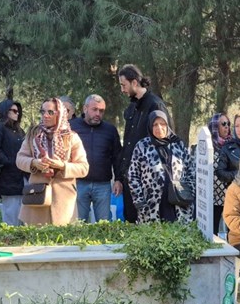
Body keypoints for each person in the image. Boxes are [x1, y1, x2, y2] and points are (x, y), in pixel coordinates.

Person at [15, 98, 88, 225]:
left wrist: (62, 166)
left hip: (63, 201)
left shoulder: (71, 137)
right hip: (37, 198)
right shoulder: (33, 134)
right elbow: (20, 159)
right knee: (36, 241)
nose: (45, 115)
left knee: (62, 241)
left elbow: (83, 168)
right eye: (43, 112)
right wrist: (34, 163)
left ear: (59, 114)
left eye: (50, 112)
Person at [116, 64, 168, 224]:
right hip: (129, 179)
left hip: (149, 182)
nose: (122, 90)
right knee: (130, 220)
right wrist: (119, 176)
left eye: (123, 85)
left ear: (134, 82)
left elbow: (164, 142)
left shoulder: (155, 105)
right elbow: (127, 147)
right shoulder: (132, 107)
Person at [128, 111, 195, 224]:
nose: (159, 127)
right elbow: (133, 175)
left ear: (168, 125)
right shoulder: (142, 146)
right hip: (151, 206)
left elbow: (191, 171)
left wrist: (189, 193)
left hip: (179, 203)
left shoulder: (178, 144)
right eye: (155, 124)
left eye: (162, 124)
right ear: (150, 126)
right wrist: (139, 201)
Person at [71, 94, 121, 222]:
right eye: (95, 109)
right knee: (77, 224)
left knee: (104, 225)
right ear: (85, 108)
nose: (98, 113)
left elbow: (117, 157)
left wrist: (118, 180)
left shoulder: (110, 130)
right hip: (78, 183)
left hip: (103, 185)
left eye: (101, 111)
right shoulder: (72, 127)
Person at [0, 99, 26, 226]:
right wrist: (8, 162)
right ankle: (10, 242)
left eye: (18, 111)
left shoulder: (19, 131)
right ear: (5, 111)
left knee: (22, 216)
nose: (17, 113)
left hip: (21, 178)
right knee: (11, 216)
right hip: (7, 179)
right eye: (13, 111)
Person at [209, 113, 231, 232]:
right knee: (213, 233)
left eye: (228, 124)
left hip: (230, 197)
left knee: (233, 234)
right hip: (213, 199)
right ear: (215, 126)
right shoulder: (207, 147)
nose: (226, 127)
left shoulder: (232, 145)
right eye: (223, 124)